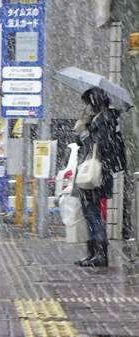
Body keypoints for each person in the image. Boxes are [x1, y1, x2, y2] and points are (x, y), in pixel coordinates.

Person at [74, 87, 121, 267]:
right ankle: (92, 253)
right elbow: (83, 143)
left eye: (88, 103)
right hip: (93, 172)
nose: (87, 107)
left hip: (99, 173)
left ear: (95, 101)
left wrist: (85, 133)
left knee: (93, 214)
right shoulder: (98, 118)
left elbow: (100, 145)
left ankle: (100, 254)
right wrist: (82, 127)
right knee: (89, 213)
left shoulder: (106, 118)